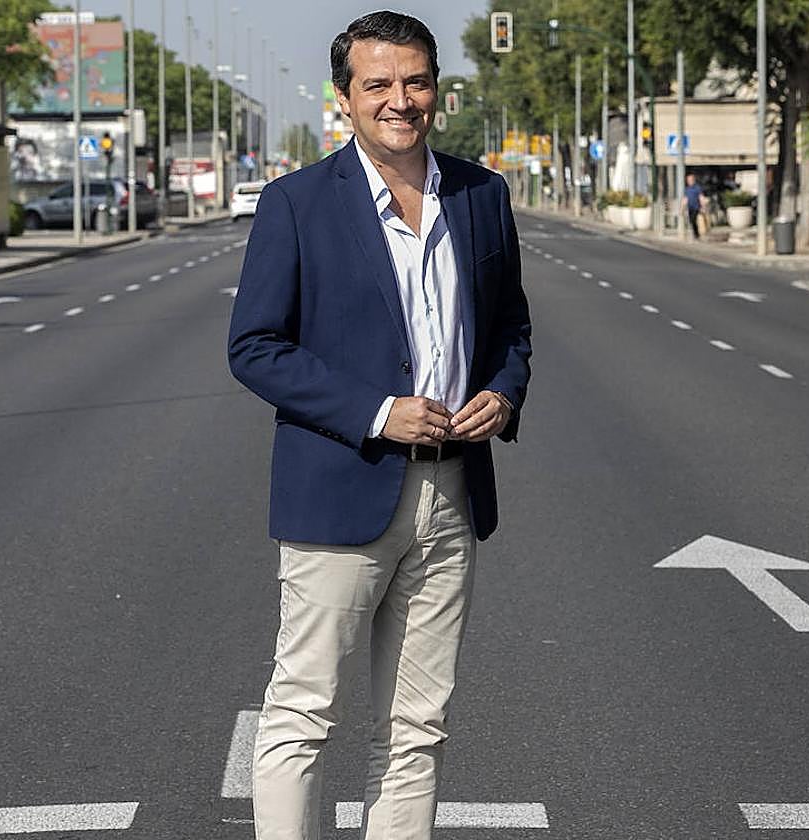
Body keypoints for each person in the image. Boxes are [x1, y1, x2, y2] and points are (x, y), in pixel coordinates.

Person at [227, 10, 532, 840]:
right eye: (380, 85)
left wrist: (503, 393)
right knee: (302, 715)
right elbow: (253, 347)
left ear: (438, 89)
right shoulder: (296, 203)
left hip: (451, 492)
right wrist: (378, 412)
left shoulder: (481, 194)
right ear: (345, 99)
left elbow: (508, 326)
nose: (401, 101)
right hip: (340, 492)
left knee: (417, 728)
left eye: (417, 82)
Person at [684, 172, 703, 239]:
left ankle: (696, 234)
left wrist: (703, 206)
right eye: (688, 180)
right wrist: (682, 208)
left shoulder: (697, 188)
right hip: (690, 207)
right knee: (691, 221)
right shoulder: (687, 189)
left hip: (696, 207)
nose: (689, 181)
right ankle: (695, 233)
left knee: (693, 220)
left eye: (691, 180)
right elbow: (685, 199)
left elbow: (701, 197)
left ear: (693, 180)